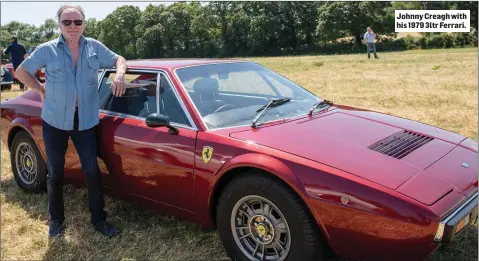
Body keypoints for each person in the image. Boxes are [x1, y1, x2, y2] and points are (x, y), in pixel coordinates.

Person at [15, 4, 127, 238]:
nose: (73, 26)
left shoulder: (94, 47)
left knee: (91, 170)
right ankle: (56, 220)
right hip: (54, 120)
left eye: (77, 22)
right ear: (60, 25)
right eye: (67, 22)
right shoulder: (48, 50)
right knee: (55, 172)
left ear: (84, 24)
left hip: (85, 120)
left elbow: (120, 59)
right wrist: (41, 89)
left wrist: (119, 75)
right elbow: (21, 72)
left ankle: (99, 220)